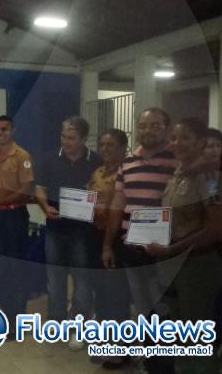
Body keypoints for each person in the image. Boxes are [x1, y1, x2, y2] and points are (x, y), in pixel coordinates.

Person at [145, 117, 222, 374]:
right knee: (175, 331)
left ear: (200, 142)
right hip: (173, 262)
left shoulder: (210, 177)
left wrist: (170, 250)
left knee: (196, 335)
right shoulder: (177, 174)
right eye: (174, 137)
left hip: (197, 264)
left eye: (185, 138)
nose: (176, 143)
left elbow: (214, 230)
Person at [102, 108, 177, 319]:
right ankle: (148, 347)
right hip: (131, 245)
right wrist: (108, 245)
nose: (148, 130)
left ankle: (163, 350)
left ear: (166, 129)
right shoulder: (127, 163)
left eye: (155, 125)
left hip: (163, 248)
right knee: (141, 301)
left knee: (163, 303)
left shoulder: (177, 160)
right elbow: (118, 206)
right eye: (143, 126)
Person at [35, 116, 102, 349]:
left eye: (72, 138)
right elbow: (40, 189)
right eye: (63, 136)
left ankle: (81, 327)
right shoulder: (49, 159)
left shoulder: (97, 161)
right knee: (55, 280)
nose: (66, 141)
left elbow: (105, 193)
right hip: (55, 228)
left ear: (84, 139)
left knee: (82, 282)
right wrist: (45, 206)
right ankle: (56, 325)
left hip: (85, 233)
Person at [0, 115, 35, 338]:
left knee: (16, 271)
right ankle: (5, 318)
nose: (1, 133)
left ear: (13, 130)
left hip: (15, 218)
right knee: (1, 270)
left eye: (4, 129)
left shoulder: (23, 156)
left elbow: (26, 190)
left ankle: (17, 321)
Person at [86, 128, 131, 369]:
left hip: (116, 237)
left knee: (117, 294)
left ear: (123, 148)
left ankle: (119, 349)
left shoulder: (127, 173)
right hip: (95, 234)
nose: (104, 149)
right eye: (102, 144)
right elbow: (89, 198)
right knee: (100, 292)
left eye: (110, 145)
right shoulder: (97, 172)